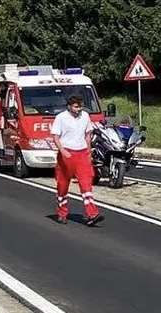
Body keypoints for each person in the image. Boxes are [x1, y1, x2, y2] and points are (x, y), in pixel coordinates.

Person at [51, 95, 103, 226]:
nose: (78, 109)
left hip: (82, 153)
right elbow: (55, 137)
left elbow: (88, 134)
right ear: (69, 106)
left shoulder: (85, 116)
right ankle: (62, 212)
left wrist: (88, 151)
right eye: (76, 106)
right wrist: (63, 151)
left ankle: (92, 213)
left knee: (86, 184)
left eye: (80, 106)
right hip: (66, 154)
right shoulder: (61, 118)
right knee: (62, 185)